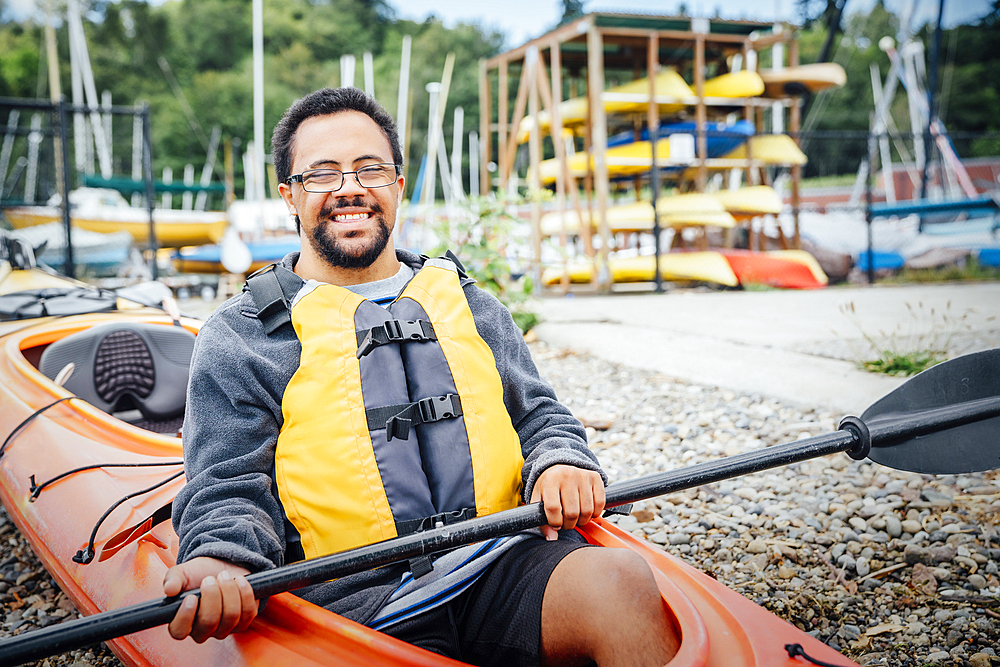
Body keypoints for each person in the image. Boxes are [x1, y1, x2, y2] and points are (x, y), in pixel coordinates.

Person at [163, 86, 678, 667]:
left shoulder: (469, 303)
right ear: (290, 195)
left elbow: (538, 414)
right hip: (352, 601)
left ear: (397, 186)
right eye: (322, 174)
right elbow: (228, 481)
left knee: (619, 581)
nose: (349, 188)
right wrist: (223, 557)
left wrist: (562, 459)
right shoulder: (243, 334)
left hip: (501, 559)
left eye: (369, 169)